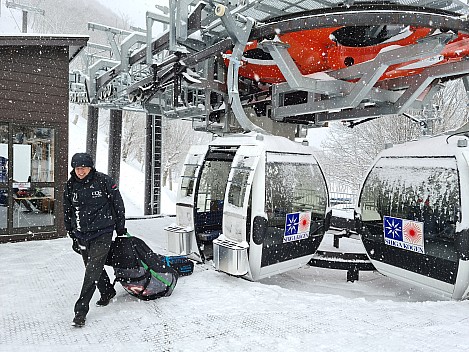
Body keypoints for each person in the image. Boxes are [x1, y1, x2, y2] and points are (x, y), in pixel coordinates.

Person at [63, 152, 126, 327]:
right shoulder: (70, 186)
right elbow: (67, 210)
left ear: (90, 168)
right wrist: (71, 233)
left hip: (103, 232)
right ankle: (107, 291)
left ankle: (80, 311)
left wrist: (120, 228)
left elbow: (117, 203)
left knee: (92, 269)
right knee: (91, 266)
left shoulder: (104, 181)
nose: (80, 172)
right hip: (82, 233)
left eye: (83, 168)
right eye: (77, 168)